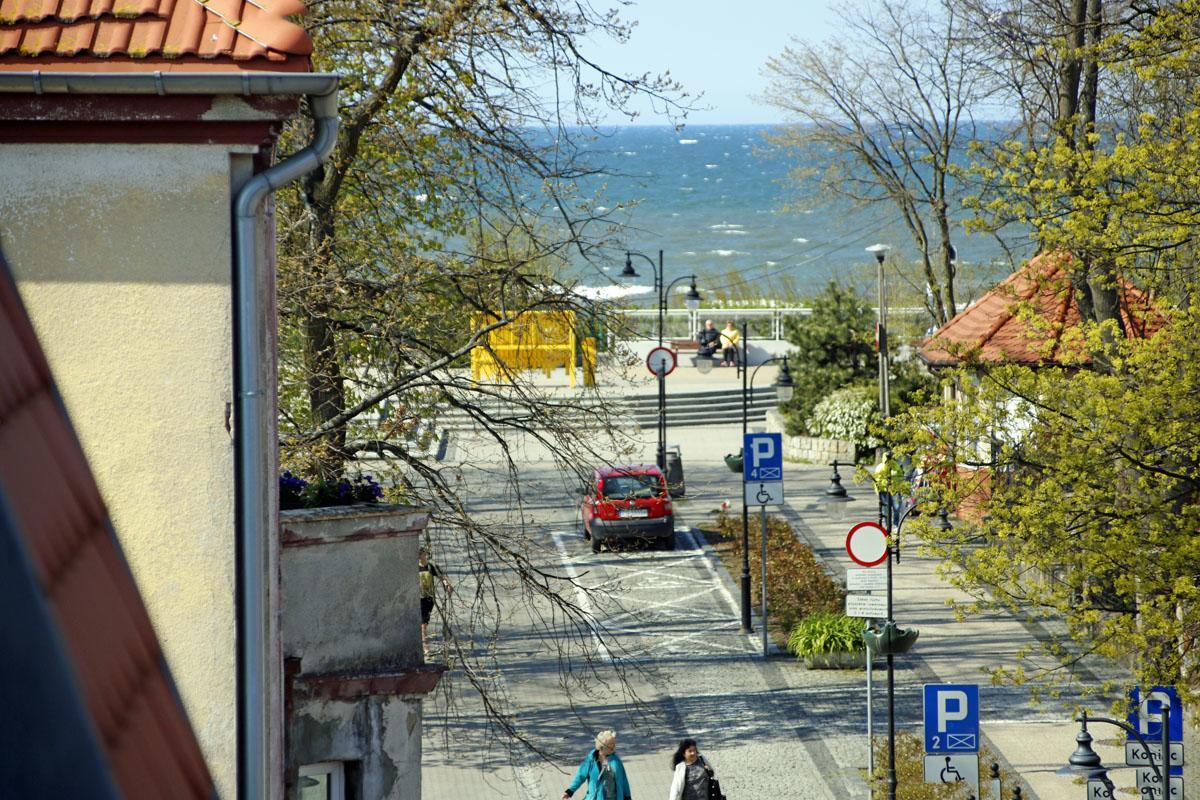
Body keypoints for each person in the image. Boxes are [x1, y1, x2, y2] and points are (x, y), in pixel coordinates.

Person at [562, 730, 632, 800]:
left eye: (614, 744)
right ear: (601, 747)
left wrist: (627, 796)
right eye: (610, 745)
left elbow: (623, 780)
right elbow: (580, 776)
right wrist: (570, 791)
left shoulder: (616, 761)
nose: (614, 747)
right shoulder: (591, 760)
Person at [418, 547, 452, 655]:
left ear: (425, 554)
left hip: (429, 599)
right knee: (422, 624)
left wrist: (447, 585)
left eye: (422, 554)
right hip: (417, 599)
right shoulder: (413, 567)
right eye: (418, 554)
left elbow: (442, 576)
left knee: (424, 624)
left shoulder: (431, 566)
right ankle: (425, 647)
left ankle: (424, 646)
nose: (420, 556)